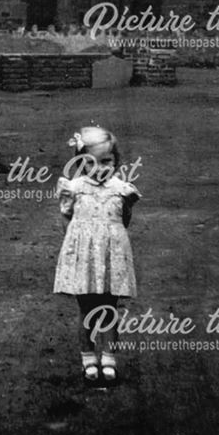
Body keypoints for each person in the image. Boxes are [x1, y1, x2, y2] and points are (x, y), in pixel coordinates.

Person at [53, 125, 141, 385]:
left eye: (107, 161)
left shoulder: (121, 189)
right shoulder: (74, 187)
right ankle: (88, 357)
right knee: (87, 309)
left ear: (116, 161)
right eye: (92, 162)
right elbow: (67, 219)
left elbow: (124, 220)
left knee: (109, 309)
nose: (100, 167)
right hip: (85, 257)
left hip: (110, 255)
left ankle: (109, 357)